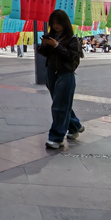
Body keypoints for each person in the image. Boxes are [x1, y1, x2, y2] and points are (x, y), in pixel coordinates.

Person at [37, 10, 85, 149]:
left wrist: (57, 46)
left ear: (64, 23)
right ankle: (75, 126)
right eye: (53, 23)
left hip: (65, 74)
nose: (56, 26)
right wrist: (45, 45)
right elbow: (43, 52)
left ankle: (56, 138)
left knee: (59, 106)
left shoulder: (72, 39)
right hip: (51, 73)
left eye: (58, 23)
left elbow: (71, 56)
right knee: (61, 104)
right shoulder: (52, 36)